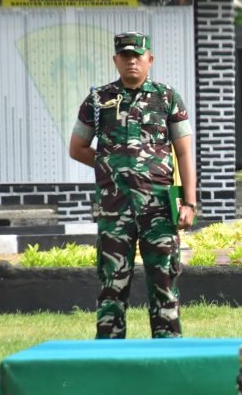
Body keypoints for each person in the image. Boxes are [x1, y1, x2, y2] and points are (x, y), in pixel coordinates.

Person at [69, 31, 196, 339]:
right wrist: (109, 166)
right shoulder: (98, 100)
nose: (131, 62)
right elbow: (77, 148)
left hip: (159, 207)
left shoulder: (167, 98)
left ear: (149, 60)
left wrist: (189, 202)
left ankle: (168, 352)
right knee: (112, 283)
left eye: (137, 56)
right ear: (116, 60)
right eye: (125, 56)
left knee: (164, 280)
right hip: (115, 208)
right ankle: (110, 353)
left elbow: (183, 151)